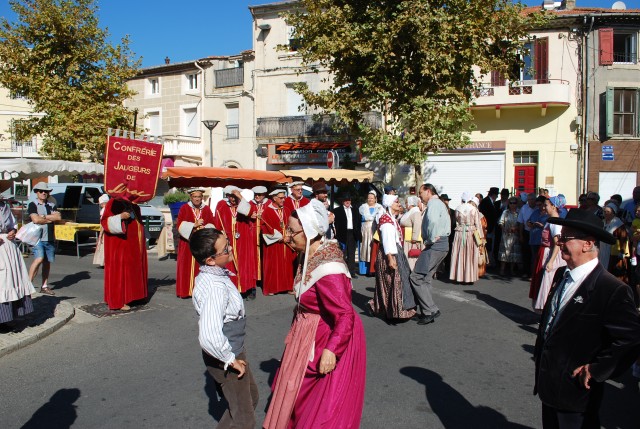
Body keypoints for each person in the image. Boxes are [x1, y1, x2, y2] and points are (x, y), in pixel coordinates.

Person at [264, 199, 366, 429]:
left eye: (291, 231)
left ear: (309, 231)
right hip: (307, 331)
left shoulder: (329, 269)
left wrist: (331, 350)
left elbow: (345, 314)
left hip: (328, 335)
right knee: (296, 390)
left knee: (318, 401)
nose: (287, 236)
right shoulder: (308, 253)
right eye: (287, 229)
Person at [533, 209, 640, 429]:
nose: (559, 242)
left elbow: (631, 339)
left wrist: (597, 370)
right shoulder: (563, 274)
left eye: (566, 238)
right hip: (550, 388)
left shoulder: (611, 289)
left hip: (577, 396)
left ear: (588, 244)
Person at [190, 228, 258, 429]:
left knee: (250, 398)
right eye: (225, 249)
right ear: (210, 260)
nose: (230, 249)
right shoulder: (215, 287)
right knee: (244, 418)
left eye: (227, 243)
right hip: (226, 355)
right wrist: (230, 359)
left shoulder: (215, 276)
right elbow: (209, 334)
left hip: (233, 350)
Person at [368, 194, 416, 321]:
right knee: (394, 283)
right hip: (390, 253)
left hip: (395, 251)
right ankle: (395, 311)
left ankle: (382, 307)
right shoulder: (387, 222)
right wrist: (390, 259)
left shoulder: (391, 219)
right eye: (396, 203)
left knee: (390, 283)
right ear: (390, 205)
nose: (399, 204)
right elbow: (388, 241)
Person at [409, 183, 450, 325]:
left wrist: (431, 239)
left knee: (416, 277)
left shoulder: (433, 203)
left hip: (435, 246)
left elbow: (432, 221)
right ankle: (429, 310)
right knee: (425, 278)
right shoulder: (438, 204)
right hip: (441, 245)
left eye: (421, 192)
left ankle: (430, 310)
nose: (419, 195)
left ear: (428, 191)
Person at [101, 197, 148, 311]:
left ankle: (135, 296)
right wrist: (120, 217)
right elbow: (105, 222)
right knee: (119, 272)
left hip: (134, 245)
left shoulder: (135, 206)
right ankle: (118, 301)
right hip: (119, 244)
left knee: (133, 270)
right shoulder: (114, 202)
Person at [214, 186, 257, 297]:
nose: (233, 199)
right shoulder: (221, 205)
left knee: (245, 264)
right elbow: (217, 222)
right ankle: (231, 289)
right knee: (229, 264)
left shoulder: (243, 203)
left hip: (243, 239)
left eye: (234, 196)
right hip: (228, 239)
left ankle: (246, 288)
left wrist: (240, 196)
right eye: (231, 196)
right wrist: (221, 235)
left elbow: (251, 211)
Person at [0, 195, 35, 325]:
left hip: (8, 247)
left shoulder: (4, 207)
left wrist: (12, 231)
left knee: (11, 280)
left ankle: (7, 317)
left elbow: (12, 223)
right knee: (2, 281)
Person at [176, 188, 215, 298]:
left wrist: (205, 228)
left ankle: (201, 291)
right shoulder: (184, 208)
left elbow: (212, 223)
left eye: (199, 197)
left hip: (201, 243)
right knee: (186, 267)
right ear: (191, 197)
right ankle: (186, 291)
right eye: (195, 197)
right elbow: (179, 225)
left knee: (202, 266)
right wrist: (194, 225)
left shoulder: (206, 209)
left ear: (202, 198)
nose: (197, 199)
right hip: (187, 243)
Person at [531, 196, 567, 312]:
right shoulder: (551, 221)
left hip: (550, 253)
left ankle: (547, 310)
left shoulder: (555, 223)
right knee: (542, 280)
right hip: (546, 251)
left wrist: (551, 261)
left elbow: (557, 243)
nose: (544, 207)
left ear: (554, 206)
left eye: (546, 205)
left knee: (548, 281)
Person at [258, 188, 295, 295]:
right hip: (274, 244)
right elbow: (266, 229)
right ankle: (272, 288)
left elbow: (290, 225)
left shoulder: (287, 210)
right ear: (274, 198)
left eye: (284, 197)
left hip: (287, 241)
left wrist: (288, 235)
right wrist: (280, 237)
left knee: (287, 265)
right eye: (281, 198)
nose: (283, 200)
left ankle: (288, 287)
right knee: (274, 265)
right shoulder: (267, 211)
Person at [28, 182, 61, 296]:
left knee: (47, 262)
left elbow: (58, 217)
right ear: (36, 192)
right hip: (37, 238)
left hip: (50, 237)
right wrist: (49, 219)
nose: (43, 193)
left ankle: (44, 285)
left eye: (46, 191)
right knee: (39, 259)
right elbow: (35, 220)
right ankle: (28, 284)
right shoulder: (33, 204)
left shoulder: (52, 205)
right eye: (41, 191)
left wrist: (43, 217)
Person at [449, 191, 482, 284]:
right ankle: (469, 277)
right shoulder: (473, 209)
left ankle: (459, 276)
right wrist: (480, 237)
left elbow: (456, 221)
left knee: (459, 253)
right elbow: (477, 224)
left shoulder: (457, 208)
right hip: (470, 233)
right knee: (469, 254)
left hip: (459, 232)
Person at [598, 202, 629, 284]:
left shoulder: (618, 224)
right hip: (603, 249)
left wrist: (622, 252)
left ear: (613, 212)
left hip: (613, 252)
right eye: (604, 212)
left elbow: (623, 238)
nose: (605, 214)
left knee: (613, 271)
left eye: (608, 212)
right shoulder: (603, 222)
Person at [332, 194, 362, 278]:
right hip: (342, 234)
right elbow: (334, 223)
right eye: (346, 200)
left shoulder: (355, 210)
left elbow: (358, 223)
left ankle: (351, 272)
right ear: (342, 202)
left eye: (349, 200)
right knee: (342, 254)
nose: (347, 201)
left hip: (352, 233)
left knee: (351, 254)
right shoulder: (337, 210)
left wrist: (358, 234)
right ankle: (342, 272)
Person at [249, 185, 268, 290]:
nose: (257, 196)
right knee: (254, 257)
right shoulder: (250, 204)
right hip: (252, 234)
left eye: (259, 195)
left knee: (264, 256)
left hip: (265, 234)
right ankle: (255, 278)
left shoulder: (269, 204)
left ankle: (264, 279)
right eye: (255, 194)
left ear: (264, 195)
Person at [359, 190, 383, 272]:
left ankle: (374, 269)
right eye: (369, 198)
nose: (370, 200)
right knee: (365, 248)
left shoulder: (379, 207)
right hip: (365, 230)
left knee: (374, 248)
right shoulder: (363, 207)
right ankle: (365, 269)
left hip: (374, 229)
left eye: (372, 198)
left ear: (375, 199)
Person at [498, 197, 522, 276]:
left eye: (514, 203)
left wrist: (516, 228)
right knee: (504, 253)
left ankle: (512, 270)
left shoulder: (519, 213)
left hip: (514, 235)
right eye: (511, 203)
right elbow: (500, 222)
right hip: (506, 235)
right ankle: (502, 269)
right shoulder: (505, 212)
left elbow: (521, 224)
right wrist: (503, 228)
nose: (512, 205)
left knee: (513, 253)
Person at [400, 195, 423, 270]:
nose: (405, 204)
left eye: (406, 202)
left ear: (410, 203)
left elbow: (417, 224)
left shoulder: (415, 212)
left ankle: (411, 270)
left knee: (411, 255)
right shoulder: (410, 212)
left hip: (410, 239)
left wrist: (414, 238)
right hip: (406, 237)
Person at [478, 187, 500, 267]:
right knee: (487, 245)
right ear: (494, 195)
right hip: (487, 227)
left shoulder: (491, 202)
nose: (497, 197)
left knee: (489, 245)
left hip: (490, 227)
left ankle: (488, 261)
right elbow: (485, 215)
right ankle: (486, 262)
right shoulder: (486, 202)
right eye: (496, 195)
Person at [517, 193, 537, 279]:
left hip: (535, 233)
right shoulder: (524, 208)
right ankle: (526, 271)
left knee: (534, 254)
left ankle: (533, 273)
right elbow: (521, 222)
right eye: (529, 200)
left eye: (532, 200)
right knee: (526, 253)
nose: (530, 202)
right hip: (526, 232)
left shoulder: (538, 208)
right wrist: (521, 235)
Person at [92, 194, 110, 267]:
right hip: (105, 228)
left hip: (105, 229)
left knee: (104, 246)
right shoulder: (106, 209)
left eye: (101, 204)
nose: (101, 205)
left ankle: (104, 262)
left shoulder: (105, 210)